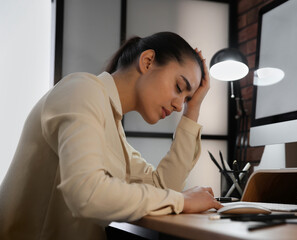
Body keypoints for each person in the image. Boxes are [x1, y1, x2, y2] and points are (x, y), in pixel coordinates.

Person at [0, 31, 223, 240]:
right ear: (147, 61)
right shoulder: (82, 89)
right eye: (178, 87)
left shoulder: (113, 129)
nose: (178, 105)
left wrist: (192, 110)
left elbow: (163, 186)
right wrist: (182, 201)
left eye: (186, 98)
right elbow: (87, 193)